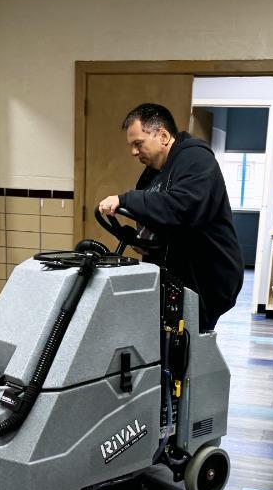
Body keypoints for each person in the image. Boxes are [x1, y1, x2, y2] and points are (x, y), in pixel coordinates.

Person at [98, 102, 243, 331]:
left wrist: (126, 199)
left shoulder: (196, 159)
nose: (133, 152)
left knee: (189, 341)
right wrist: (144, 241)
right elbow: (157, 214)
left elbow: (182, 208)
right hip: (173, 275)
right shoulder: (153, 173)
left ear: (163, 136)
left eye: (138, 144)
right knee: (166, 339)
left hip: (205, 277)